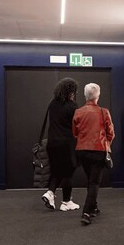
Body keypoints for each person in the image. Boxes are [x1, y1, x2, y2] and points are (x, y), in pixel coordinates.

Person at [72, 83, 115, 226]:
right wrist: (107, 144)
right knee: (94, 182)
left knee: (91, 179)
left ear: (85, 96)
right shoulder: (104, 112)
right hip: (98, 150)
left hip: (82, 151)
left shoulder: (78, 112)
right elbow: (111, 133)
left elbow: (75, 133)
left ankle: (94, 206)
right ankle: (86, 212)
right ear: (98, 96)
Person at [41, 78, 81, 211]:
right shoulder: (72, 106)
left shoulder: (52, 104)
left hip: (52, 143)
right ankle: (66, 202)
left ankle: (50, 193)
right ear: (71, 91)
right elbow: (78, 125)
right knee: (69, 171)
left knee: (56, 170)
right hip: (67, 143)